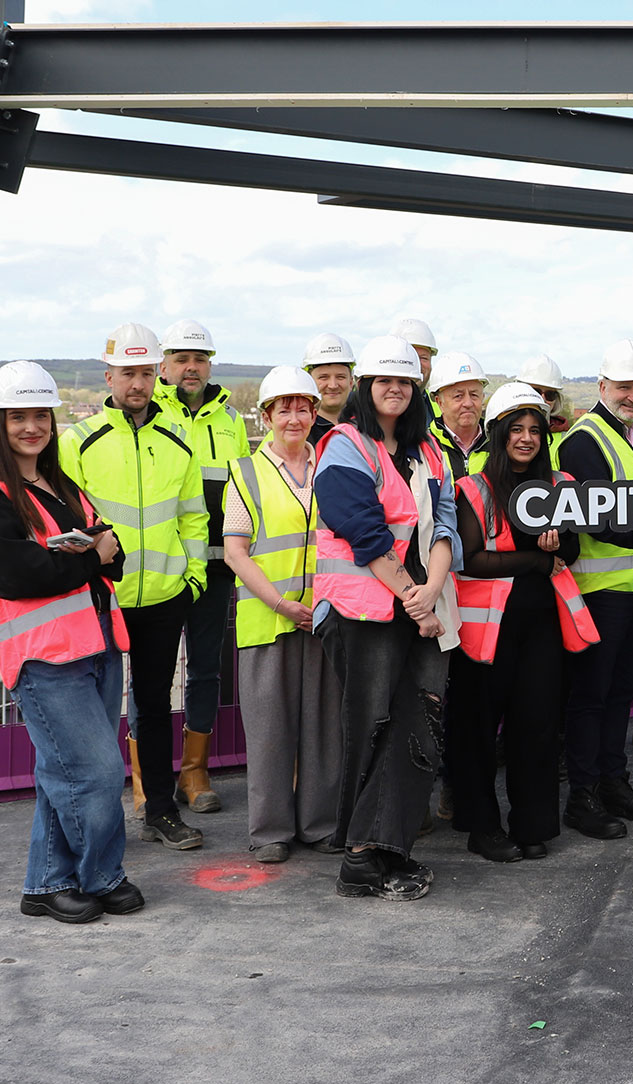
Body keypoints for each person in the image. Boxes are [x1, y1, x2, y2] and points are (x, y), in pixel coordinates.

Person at [312, 336, 459, 900]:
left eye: (403, 381)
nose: (393, 389)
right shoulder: (345, 446)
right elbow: (363, 530)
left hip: (419, 609)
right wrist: (413, 597)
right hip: (363, 614)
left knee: (419, 723)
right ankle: (358, 857)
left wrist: (433, 591)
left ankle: (389, 848)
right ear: (365, 388)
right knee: (371, 725)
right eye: (382, 381)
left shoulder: (430, 453)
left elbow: (445, 527)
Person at [1, 361, 142, 924]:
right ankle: (99, 875)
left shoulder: (61, 486)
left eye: (41, 415)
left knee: (64, 772)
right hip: (44, 656)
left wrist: (82, 555)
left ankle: (46, 884)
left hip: (98, 644)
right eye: (17, 417)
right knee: (97, 772)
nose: (32, 426)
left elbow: (116, 553)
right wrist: (89, 557)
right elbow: (20, 574)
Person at [61, 322, 209, 852]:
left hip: (166, 597)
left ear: (157, 374)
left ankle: (162, 812)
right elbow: (63, 522)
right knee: (94, 714)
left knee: (153, 706)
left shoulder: (178, 440)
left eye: (146, 373)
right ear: (109, 376)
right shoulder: (78, 441)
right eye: (128, 373)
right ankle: (95, 825)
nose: (138, 383)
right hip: (102, 601)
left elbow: (194, 518)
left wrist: (192, 578)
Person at [449, 382, 585, 863]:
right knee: (478, 732)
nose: (526, 438)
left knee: (537, 726)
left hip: (542, 626)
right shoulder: (473, 488)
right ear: (499, 433)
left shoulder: (561, 485)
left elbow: (571, 550)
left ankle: (533, 825)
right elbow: (470, 559)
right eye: (517, 429)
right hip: (485, 633)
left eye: (535, 430)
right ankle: (482, 827)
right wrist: (534, 559)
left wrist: (556, 548)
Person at [556, 339, 633, 839]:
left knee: (623, 694)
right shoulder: (582, 441)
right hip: (601, 594)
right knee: (591, 697)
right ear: (603, 385)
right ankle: (583, 797)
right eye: (625, 386)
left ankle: (614, 783)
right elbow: (590, 515)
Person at [223, 366, 341, 864]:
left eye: (303, 407)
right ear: (266, 415)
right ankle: (269, 830)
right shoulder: (245, 472)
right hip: (268, 617)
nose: (294, 417)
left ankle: (321, 824)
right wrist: (281, 603)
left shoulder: (333, 467)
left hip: (326, 616)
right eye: (283, 408)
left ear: (315, 413)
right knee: (270, 729)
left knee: (324, 726)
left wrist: (319, 604)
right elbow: (235, 551)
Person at [153, 318, 250, 817]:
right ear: (164, 365)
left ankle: (194, 772)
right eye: (181, 359)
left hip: (214, 568)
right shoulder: (150, 413)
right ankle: (150, 779)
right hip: (161, 569)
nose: (191, 368)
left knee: (206, 670)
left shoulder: (230, 419)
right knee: (151, 674)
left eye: (200, 359)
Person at [429, 351, 489, 478]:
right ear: (440, 403)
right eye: (458, 396)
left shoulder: (499, 443)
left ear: (482, 398)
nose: (468, 403)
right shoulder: (425, 446)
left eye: (474, 395)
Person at [515, 355, 570, 466]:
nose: (542, 399)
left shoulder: (568, 439)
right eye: (535, 392)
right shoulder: (502, 432)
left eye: (550, 394)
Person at [304, 332, 356, 446]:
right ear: (309, 382)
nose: (333, 385)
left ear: (351, 381)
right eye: (324, 377)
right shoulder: (299, 430)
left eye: (340, 377)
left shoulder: (368, 425)